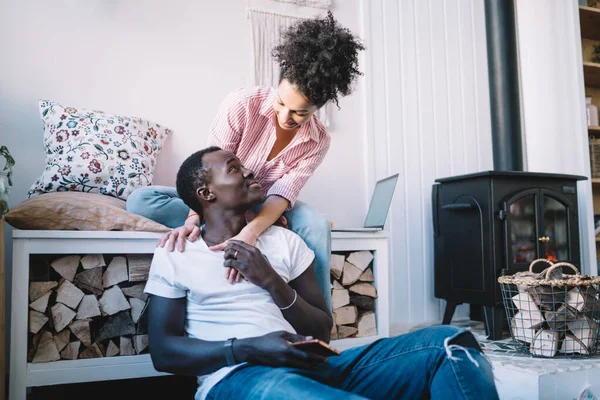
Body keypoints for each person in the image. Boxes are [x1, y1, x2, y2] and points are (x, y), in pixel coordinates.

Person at [144, 147, 500, 400]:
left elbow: (319, 329)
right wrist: (250, 349)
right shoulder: (177, 252)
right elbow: (164, 353)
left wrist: (270, 279)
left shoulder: (286, 242)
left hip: (314, 368)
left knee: (451, 343)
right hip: (237, 379)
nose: (250, 171)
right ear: (206, 193)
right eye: (235, 168)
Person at [127, 12, 365, 310]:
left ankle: (318, 318)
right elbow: (208, 173)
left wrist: (251, 230)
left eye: (299, 113)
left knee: (316, 224)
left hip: (265, 204)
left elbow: (283, 193)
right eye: (281, 103)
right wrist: (192, 218)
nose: (284, 116)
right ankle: (236, 223)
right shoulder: (241, 104)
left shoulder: (318, 142)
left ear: (319, 107)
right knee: (141, 200)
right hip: (218, 202)